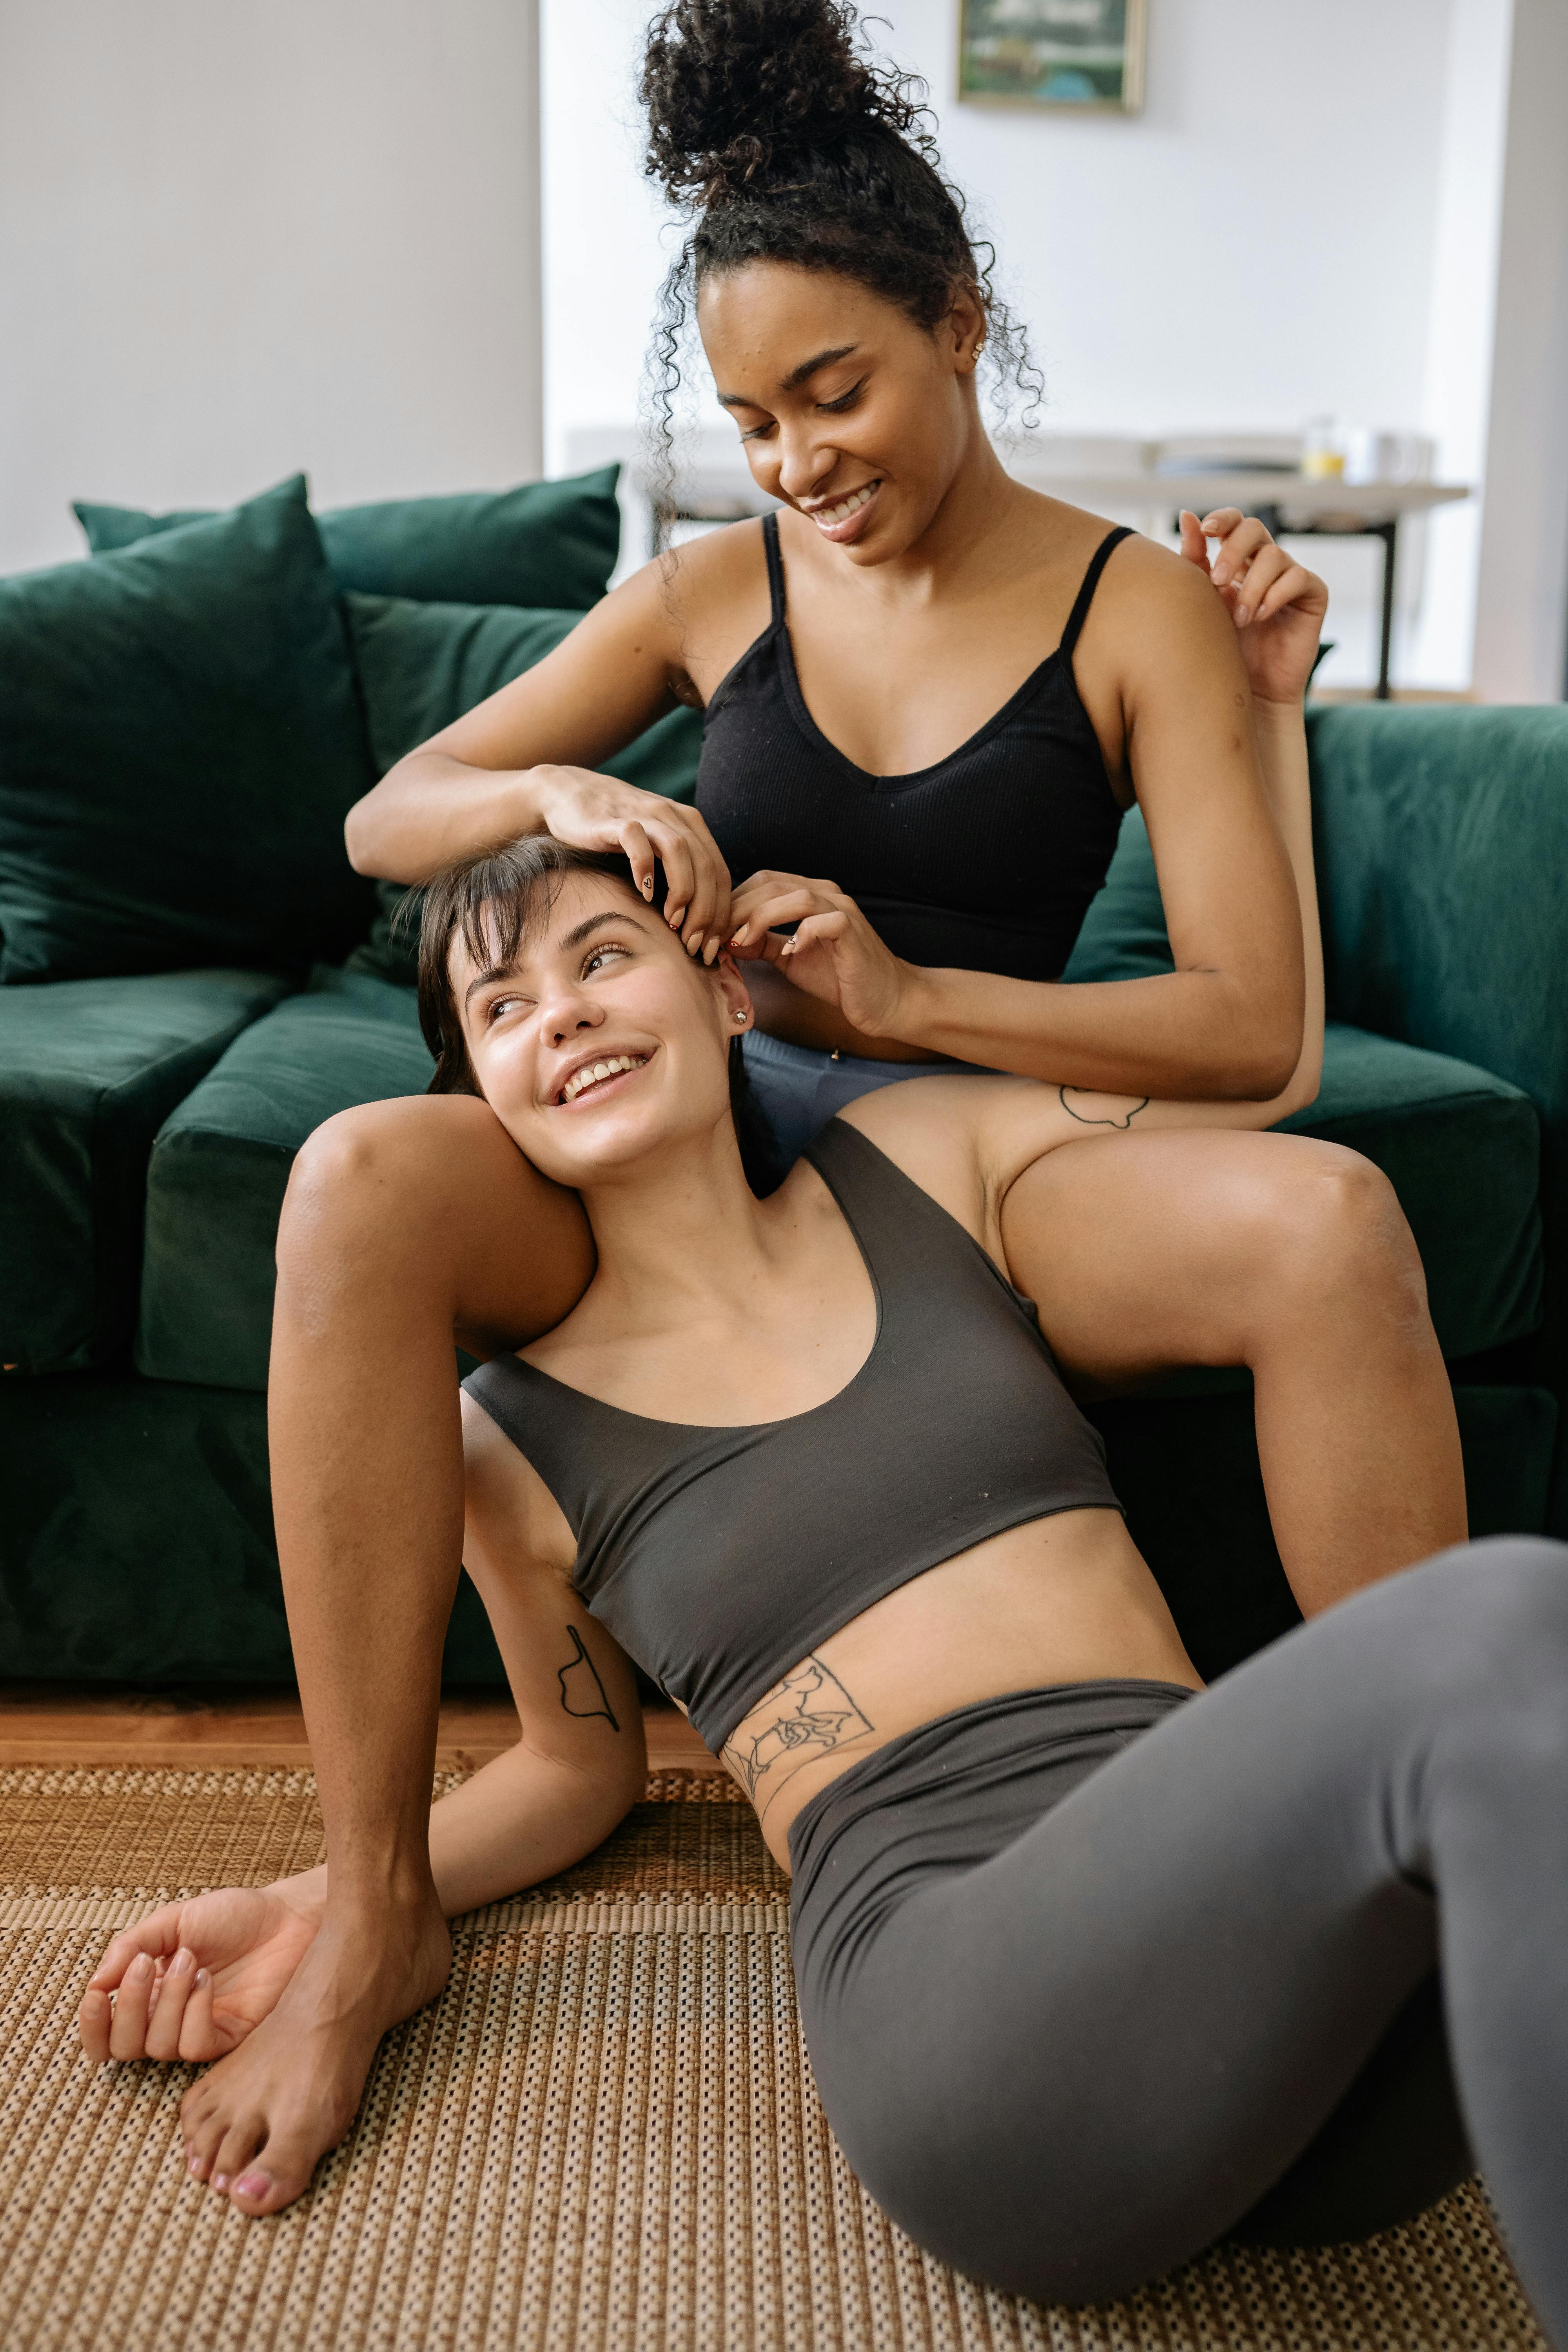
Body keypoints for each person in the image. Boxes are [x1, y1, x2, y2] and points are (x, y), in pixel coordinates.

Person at [80, 814, 1567, 2337]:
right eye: (503, 1007)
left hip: (1264, 1980)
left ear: (727, 998)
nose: (567, 1013)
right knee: (1514, 1616)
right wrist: (324, 1903)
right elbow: (573, 1770)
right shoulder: (499, 1445)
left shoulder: (928, 1158)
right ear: (480, 1102)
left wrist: (1231, 729)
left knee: (1516, 1700)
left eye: (603, 958)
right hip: (964, 2004)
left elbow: (1261, 1085)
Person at [318, 0, 1462, 1626]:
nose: (794, 464)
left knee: (1337, 1226)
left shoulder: (1134, 608)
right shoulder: (708, 593)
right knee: (355, 1186)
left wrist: (908, 999)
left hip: (983, 1139)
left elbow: (1252, 1028)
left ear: (956, 321)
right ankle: (377, 1881)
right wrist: (559, 787)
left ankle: (1430, 1793)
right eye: (750, 425)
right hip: (703, 1137)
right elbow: (389, 817)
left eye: (830, 393)